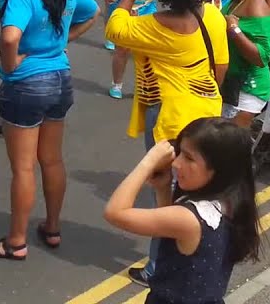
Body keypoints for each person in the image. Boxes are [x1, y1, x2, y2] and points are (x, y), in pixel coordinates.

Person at [0, 0, 98, 260]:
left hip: (28, 82)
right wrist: (64, 41)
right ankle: (53, 226)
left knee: (24, 168)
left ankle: (16, 240)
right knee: (53, 159)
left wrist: (9, 64)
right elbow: (95, 10)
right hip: (61, 77)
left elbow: (9, 37)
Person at [104, 0, 224, 286]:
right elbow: (222, 66)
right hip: (205, 107)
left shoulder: (154, 26)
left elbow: (115, 28)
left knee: (166, 195)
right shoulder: (212, 16)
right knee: (200, 192)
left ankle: (159, 267)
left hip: (169, 117)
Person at [104, 119, 261, 304]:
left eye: (189, 158)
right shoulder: (230, 203)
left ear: (218, 169)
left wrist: (148, 162)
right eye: (179, 154)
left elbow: (115, 212)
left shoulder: (189, 218)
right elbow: (169, 232)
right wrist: (163, 189)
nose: (176, 163)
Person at [220, 0, 270, 126]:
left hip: (249, 87)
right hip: (232, 85)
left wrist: (235, 31)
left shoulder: (256, 6)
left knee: (232, 143)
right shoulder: (234, 2)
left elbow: (261, 57)